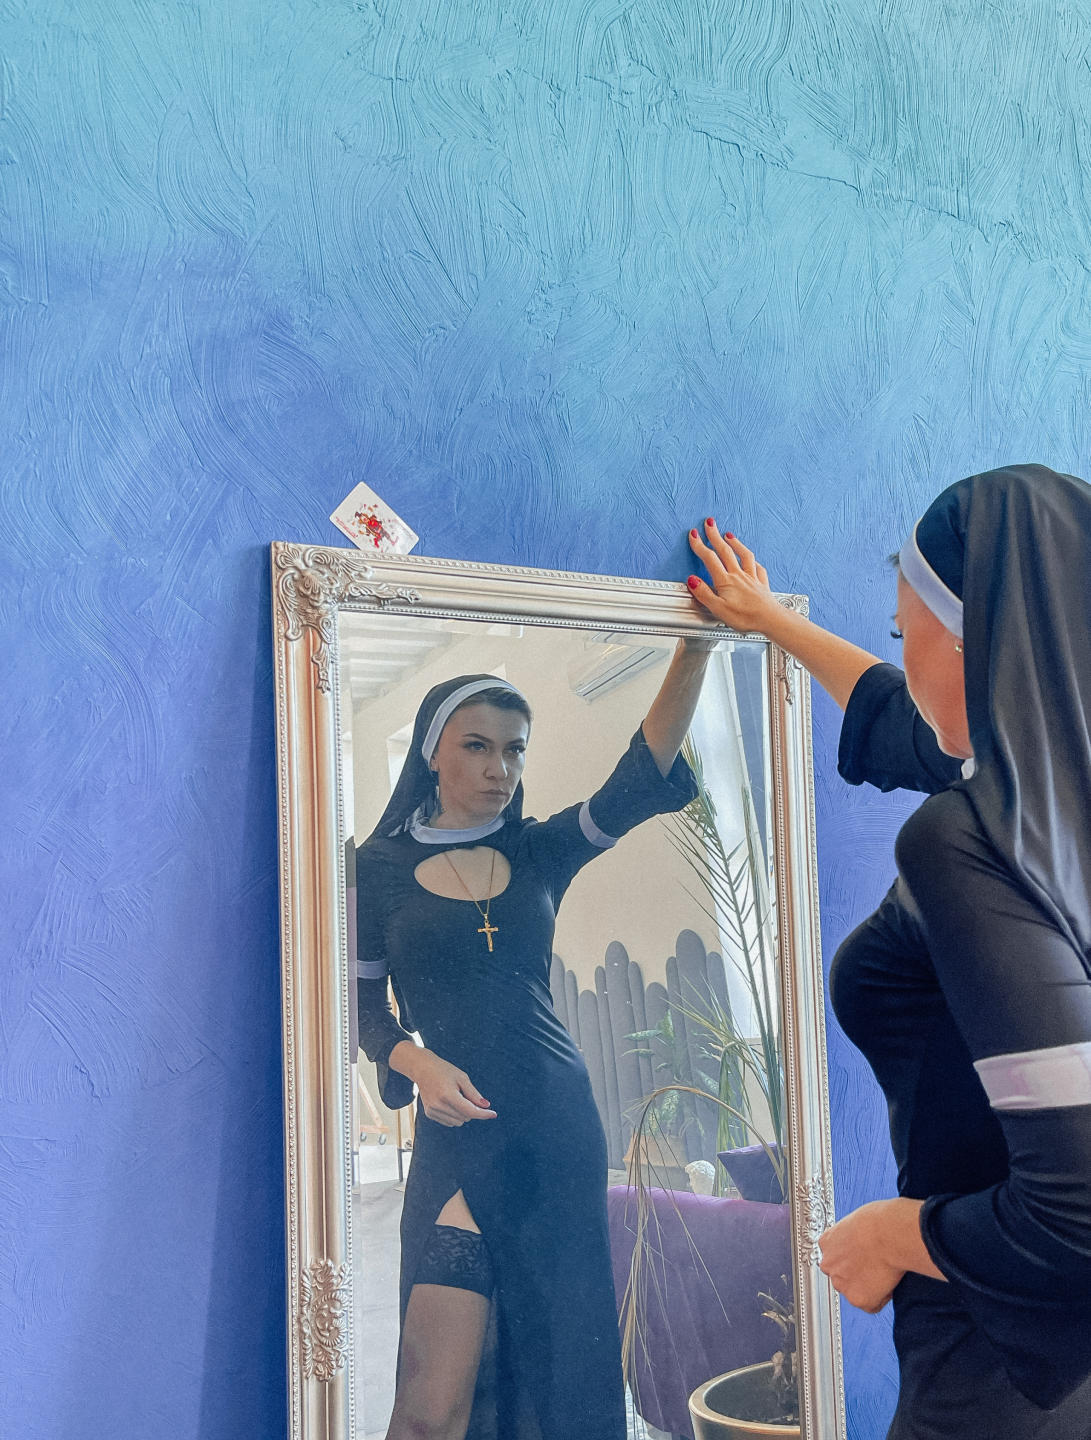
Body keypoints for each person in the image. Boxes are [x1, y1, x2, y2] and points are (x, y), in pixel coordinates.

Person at [685, 468, 1091, 1438]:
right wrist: (772, 623)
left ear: (968, 642)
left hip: (996, 1362)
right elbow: (909, 723)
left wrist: (895, 1235)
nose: (900, 652)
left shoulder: (968, 836)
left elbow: (1078, 1219)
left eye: (906, 629)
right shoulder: (1050, 784)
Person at [356, 645, 710, 1440]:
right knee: (429, 1407)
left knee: (561, 1379)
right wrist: (414, 1060)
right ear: (431, 753)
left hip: (555, 1130)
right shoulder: (373, 869)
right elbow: (360, 1009)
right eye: (476, 746)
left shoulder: (541, 849)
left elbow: (642, 769)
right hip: (457, 1136)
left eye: (515, 749)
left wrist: (697, 643)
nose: (500, 769)